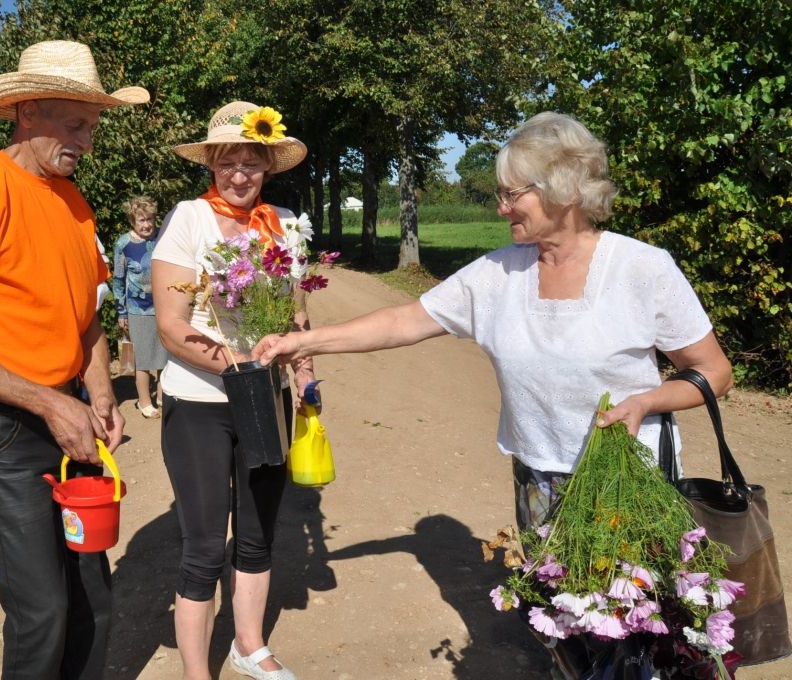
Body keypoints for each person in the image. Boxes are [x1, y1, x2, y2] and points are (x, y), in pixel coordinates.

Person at [252, 112, 734, 679]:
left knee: (632, 631)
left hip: (624, 482)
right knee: (562, 617)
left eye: (511, 194)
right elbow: (406, 320)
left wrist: (644, 402)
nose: (500, 208)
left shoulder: (642, 269)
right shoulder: (498, 273)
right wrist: (304, 340)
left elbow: (713, 373)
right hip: (539, 477)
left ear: (564, 189)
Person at [0, 40, 148, 680]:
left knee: (94, 601)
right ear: (27, 112)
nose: (88, 141)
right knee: (41, 610)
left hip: (70, 423)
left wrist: (99, 394)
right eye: (75, 125)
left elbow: (87, 317)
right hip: (5, 434)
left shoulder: (74, 203)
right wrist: (50, 401)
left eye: (93, 127)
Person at [150, 100, 313, 680]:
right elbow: (171, 325)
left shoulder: (286, 223)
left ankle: (248, 645)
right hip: (198, 402)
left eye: (252, 162)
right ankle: (199, 672)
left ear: (268, 164)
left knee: (258, 533)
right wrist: (236, 365)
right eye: (228, 162)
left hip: (265, 399)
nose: (240, 174)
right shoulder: (188, 219)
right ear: (212, 164)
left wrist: (304, 372)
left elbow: (296, 315)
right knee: (203, 545)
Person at [112, 196, 167, 418]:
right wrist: (121, 311)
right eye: (141, 220)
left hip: (163, 306)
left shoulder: (162, 238)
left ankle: (164, 396)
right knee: (143, 359)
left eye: (150, 219)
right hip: (137, 309)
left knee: (165, 355)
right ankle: (144, 401)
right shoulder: (123, 245)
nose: (146, 225)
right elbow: (118, 279)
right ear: (132, 221)